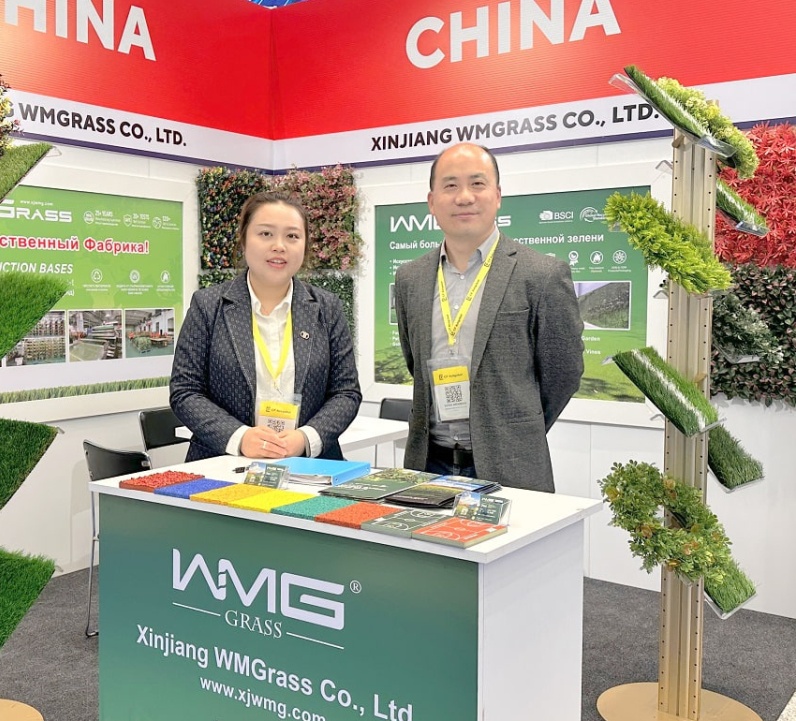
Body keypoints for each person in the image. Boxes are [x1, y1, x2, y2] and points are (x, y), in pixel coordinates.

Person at [394, 143, 584, 492]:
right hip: (428, 467)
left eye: (477, 184)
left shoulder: (541, 274)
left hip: (512, 468)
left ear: (497, 196)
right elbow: (414, 362)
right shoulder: (410, 278)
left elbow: (563, 373)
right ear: (432, 202)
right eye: (450, 185)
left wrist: (516, 428)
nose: (464, 197)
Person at [171, 191, 362, 461]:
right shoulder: (208, 306)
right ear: (243, 239)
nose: (279, 246)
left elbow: (346, 392)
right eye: (266, 234)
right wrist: (239, 437)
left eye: (292, 236)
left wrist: (306, 437)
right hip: (224, 463)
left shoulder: (326, 308)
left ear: (305, 245)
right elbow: (185, 390)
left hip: (308, 466)